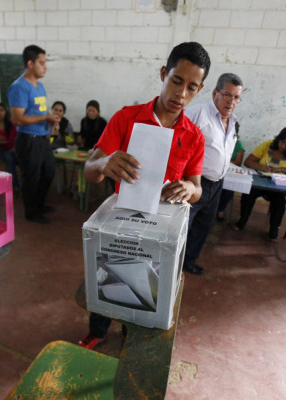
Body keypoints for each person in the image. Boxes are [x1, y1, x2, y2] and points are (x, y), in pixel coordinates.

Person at [79, 41, 210, 350]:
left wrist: (190, 189)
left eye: (191, 87)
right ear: (164, 74)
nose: (181, 94)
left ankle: (129, 330)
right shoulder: (126, 118)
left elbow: (197, 188)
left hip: (159, 227)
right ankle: (97, 328)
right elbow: (89, 170)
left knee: (141, 285)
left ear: (199, 89)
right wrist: (103, 163)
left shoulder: (194, 137)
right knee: (105, 275)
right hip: (121, 220)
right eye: (176, 81)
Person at [182, 72, 244, 275]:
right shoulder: (196, 114)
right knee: (183, 226)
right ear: (215, 93)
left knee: (203, 226)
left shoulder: (233, 122)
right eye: (227, 94)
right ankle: (171, 264)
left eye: (236, 97)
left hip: (217, 184)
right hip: (194, 181)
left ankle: (188, 262)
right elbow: (177, 142)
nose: (231, 101)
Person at [7, 45, 59, 224]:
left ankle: (40, 203)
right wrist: (45, 117)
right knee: (32, 177)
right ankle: (31, 211)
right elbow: (17, 119)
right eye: (41, 63)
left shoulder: (40, 86)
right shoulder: (19, 87)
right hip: (28, 140)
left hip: (42, 138)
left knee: (48, 172)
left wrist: (51, 121)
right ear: (30, 64)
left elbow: (38, 113)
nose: (45, 67)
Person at [231, 126, 286, 241]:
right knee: (248, 194)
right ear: (278, 138)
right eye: (282, 142)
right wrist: (261, 167)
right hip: (259, 182)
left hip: (277, 186)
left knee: (280, 201)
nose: (283, 146)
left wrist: (282, 169)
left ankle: (274, 230)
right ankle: (242, 221)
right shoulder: (267, 145)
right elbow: (248, 161)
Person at [216, 122, 245, 221]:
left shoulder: (238, 144)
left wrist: (222, 161)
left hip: (228, 172)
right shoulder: (215, 140)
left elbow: (237, 163)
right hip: (215, 171)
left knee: (229, 187)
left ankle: (221, 209)